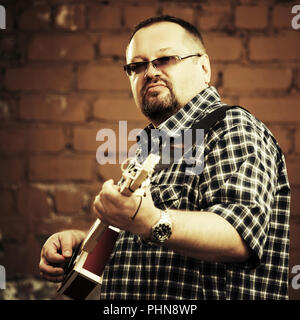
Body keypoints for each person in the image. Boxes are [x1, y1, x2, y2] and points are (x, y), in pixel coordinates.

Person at [39, 15, 290, 300]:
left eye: (165, 59)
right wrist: (84, 243)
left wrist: (151, 221)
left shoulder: (232, 126)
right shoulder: (151, 148)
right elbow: (148, 241)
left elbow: (239, 235)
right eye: (137, 65)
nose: (150, 72)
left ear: (204, 67)